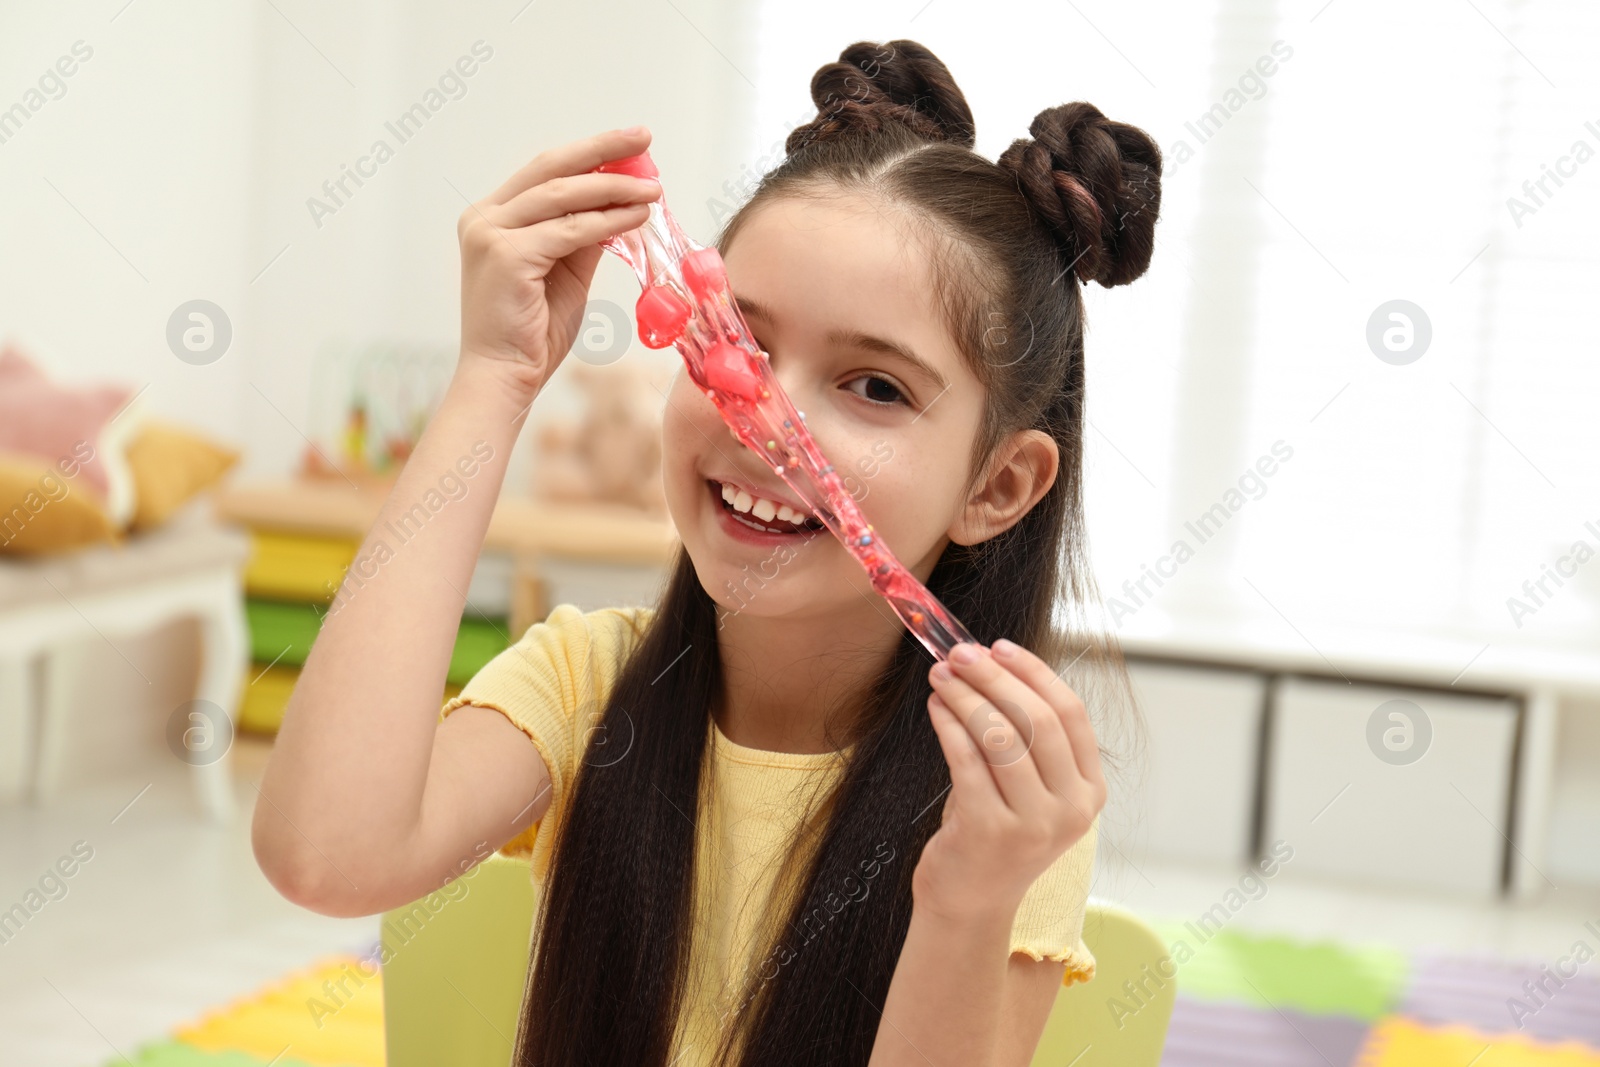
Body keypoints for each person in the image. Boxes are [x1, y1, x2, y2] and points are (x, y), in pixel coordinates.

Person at [254, 37, 1160, 1067]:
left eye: (874, 386)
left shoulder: (998, 804)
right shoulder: (585, 684)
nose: (763, 414)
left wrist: (968, 893)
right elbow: (324, 854)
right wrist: (493, 378)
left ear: (996, 485)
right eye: (740, 337)